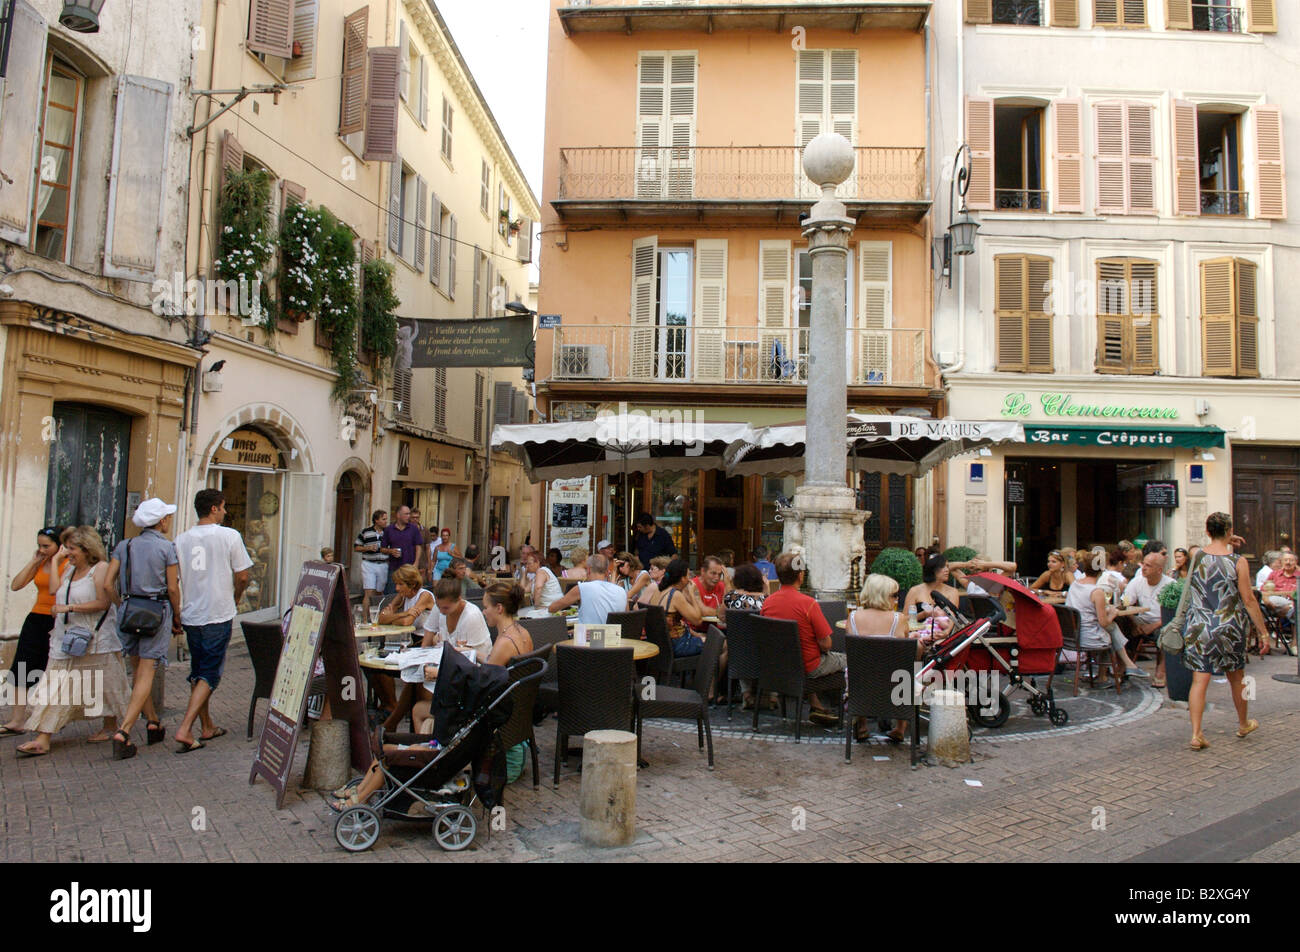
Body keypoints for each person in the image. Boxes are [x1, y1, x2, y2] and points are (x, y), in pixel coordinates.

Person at [17, 526, 131, 757]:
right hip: (65, 638)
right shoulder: (69, 569)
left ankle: (110, 725)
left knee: (106, 683)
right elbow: (53, 590)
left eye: (72, 548)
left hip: (96, 639)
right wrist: (59, 560)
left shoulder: (100, 569)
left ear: (86, 549)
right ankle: (43, 738)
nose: (67, 552)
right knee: (55, 685)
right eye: (66, 548)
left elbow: (103, 603)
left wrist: (70, 607)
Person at [1163, 513, 1269, 750]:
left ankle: (1196, 733)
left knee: (1199, 680)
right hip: (1229, 627)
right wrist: (1263, 632)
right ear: (1229, 530)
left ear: (1207, 531)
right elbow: (1249, 599)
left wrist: (1226, 538)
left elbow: (1209, 554)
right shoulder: (1238, 561)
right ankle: (1243, 723)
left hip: (1199, 627)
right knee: (1237, 679)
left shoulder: (1197, 556)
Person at [171, 489, 253, 752]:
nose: (226, 511)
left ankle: (206, 725)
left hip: (192, 612)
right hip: (217, 612)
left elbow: (174, 579)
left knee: (198, 669)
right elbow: (242, 576)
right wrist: (236, 597)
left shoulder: (181, 540)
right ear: (215, 508)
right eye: (223, 507)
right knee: (210, 673)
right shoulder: (229, 536)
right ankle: (185, 727)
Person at [105, 498, 182, 761]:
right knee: (147, 670)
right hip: (156, 611)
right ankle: (124, 731)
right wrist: (177, 617)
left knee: (137, 669)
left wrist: (123, 605)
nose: (168, 521)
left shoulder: (125, 546)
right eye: (167, 517)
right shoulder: (166, 548)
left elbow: (107, 584)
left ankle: (152, 722)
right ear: (161, 521)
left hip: (128, 610)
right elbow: (172, 588)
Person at [848, 574, 934, 743]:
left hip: (861, 685)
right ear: (882, 596)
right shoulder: (898, 619)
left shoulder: (853, 618)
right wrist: (915, 642)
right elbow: (904, 655)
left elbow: (855, 653)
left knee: (862, 667)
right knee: (907, 669)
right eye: (894, 596)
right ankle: (900, 728)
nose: (897, 600)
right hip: (895, 686)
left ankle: (863, 724)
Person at [762, 552, 842, 725]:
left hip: (777, 665)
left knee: (803, 656)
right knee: (850, 660)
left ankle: (816, 705)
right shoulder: (808, 603)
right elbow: (826, 644)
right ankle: (857, 714)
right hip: (808, 667)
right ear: (800, 575)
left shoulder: (768, 602)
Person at [2, 525, 66, 736]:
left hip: (57, 620)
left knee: (53, 669)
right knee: (22, 667)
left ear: (59, 545)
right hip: (36, 618)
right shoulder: (40, 561)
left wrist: (56, 560)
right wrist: (34, 561)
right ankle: (18, 720)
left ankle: (51, 718)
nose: (42, 549)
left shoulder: (67, 563)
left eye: (46, 546)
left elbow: (57, 590)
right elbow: (16, 585)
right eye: (39, 545)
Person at [1066, 546, 1149, 687]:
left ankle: (1110, 673)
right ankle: (1125, 666)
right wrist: (1113, 612)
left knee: (1110, 630)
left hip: (1072, 636)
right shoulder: (1096, 591)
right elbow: (1103, 622)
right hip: (1088, 637)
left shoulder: (1075, 585)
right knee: (1111, 627)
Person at [1123, 550, 1172, 686]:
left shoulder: (1170, 585)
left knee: (1167, 632)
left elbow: (1175, 615)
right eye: (1143, 564)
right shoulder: (1137, 581)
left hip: (1162, 621)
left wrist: (1153, 625)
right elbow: (1125, 604)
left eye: (1148, 565)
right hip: (1141, 619)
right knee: (1120, 624)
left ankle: (1160, 672)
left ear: (1159, 569)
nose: (1143, 568)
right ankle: (1122, 667)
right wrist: (1134, 623)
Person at [549, 553, 626, 625]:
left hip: (588, 637)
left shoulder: (581, 588)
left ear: (588, 570)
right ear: (606, 572)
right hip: (615, 637)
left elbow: (552, 608)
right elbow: (627, 617)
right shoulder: (622, 591)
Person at [654, 558, 707, 660]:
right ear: (682, 578)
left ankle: (689, 674)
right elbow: (698, 620)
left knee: (703, 637)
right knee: (715, 645)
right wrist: (692, 594)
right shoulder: (675, 595)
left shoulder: (658, 590)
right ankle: (705, 676)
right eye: (688, 575)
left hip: (661, 644)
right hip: (676, 645)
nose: (689, 579)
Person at [482, 582, 533, 667]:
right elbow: (493, 660)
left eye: (486, 607)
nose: (483, 612)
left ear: (499, 608)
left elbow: (488, 677)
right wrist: (474, 653)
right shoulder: (523, 631)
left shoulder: (504, 643)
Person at [903, 554, 964, 624]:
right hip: (917, 632)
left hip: (942, 632)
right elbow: (904, 619)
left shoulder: (953, 591)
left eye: (947, 566)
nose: (947, 570)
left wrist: (946, 633)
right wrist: (923, 615)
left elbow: (953, 618)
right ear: (932, 569)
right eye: (942, 566)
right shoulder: (915, 590)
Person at [380, 506, 424, 596]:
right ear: (398, 515)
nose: (409, 516)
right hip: (394, 568)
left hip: (409, 567)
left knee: (410, 593)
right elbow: (382, 549)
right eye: (406, 514)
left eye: (409, 514)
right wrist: (391, 551)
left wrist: (416, 563)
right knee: (392, 593)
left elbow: (418, 546)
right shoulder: (389, 529)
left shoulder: (413, 529)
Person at [355, 510, 390, 616]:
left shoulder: (388, 532)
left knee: (379, 592)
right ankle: (365, 619)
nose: (385, 521)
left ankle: (377, 616)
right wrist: (368, 548)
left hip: (383, 564)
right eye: (383, 519)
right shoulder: (366, 532)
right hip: (369, 564)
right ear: (376, 520)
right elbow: (356, 547)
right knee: (369, 592)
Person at [692, 555, 729, 628]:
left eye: (720, 574)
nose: (717, 578)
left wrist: (727, 583)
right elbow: (703, 611)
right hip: (696, 630)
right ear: (703, 571)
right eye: (713, 573)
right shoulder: (693, 585)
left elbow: (731, 607)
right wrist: (721, 613)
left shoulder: (722, 585)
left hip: (718, 630)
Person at [1264, 551, 1297, 621]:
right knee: (1272, 599)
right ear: (1281, 562)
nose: (1288, 562)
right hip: (1274, 605)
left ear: (1296, 562)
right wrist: (1266, 600)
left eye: (1291, 560)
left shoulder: (1298, 576)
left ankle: (1291, 612)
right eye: (1285, 560)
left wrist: (1291, 606)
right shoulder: (1274, 574)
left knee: (1296, 609)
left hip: (1293, 604)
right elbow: (1263, 590)